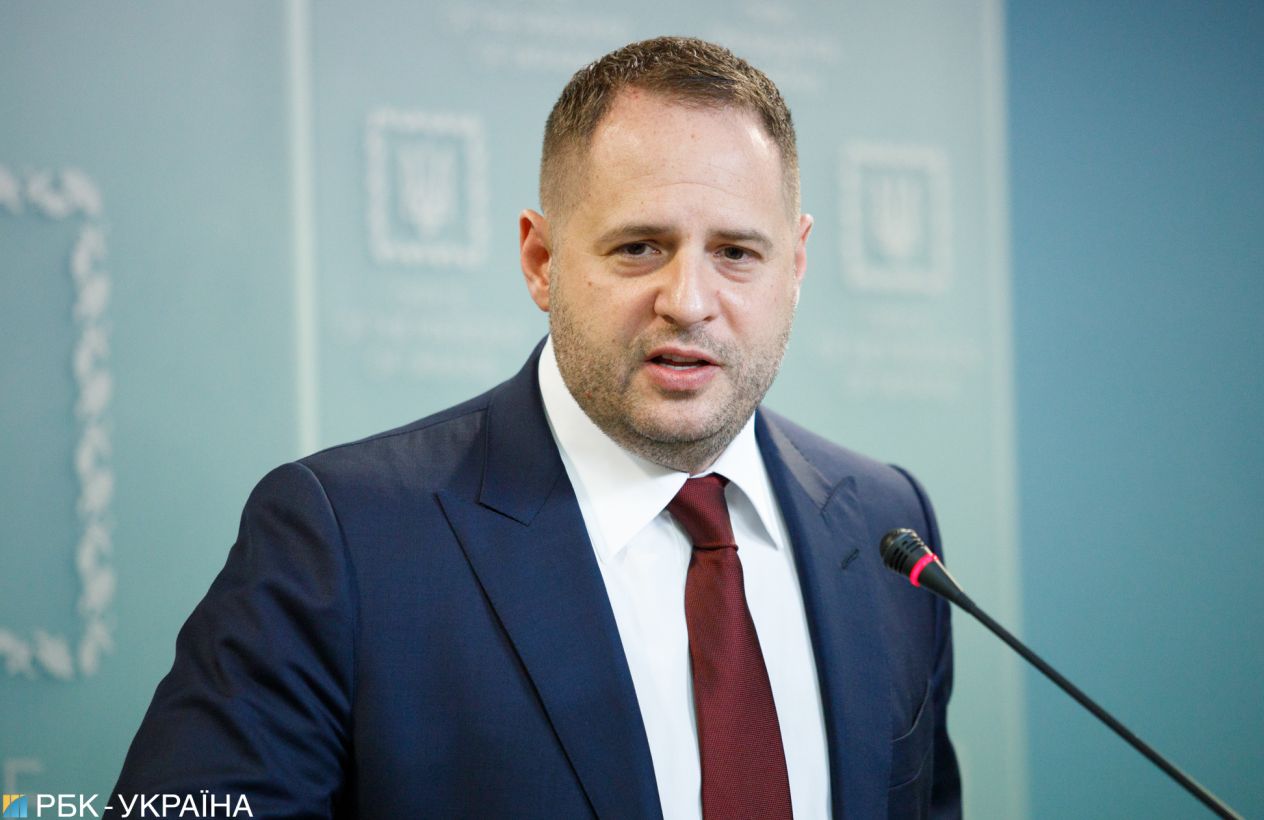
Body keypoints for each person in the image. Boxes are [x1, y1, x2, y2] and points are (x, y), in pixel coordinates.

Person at [114, 36, 960, 819]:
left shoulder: (888, 527)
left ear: (796, 264)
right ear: (541, 261)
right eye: (639, 248)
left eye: (737, 252)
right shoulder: (346, 540)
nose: (689, 301)